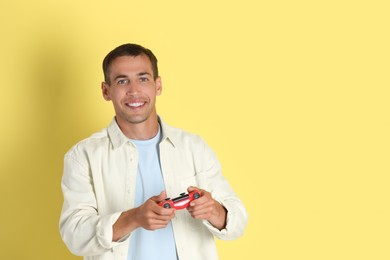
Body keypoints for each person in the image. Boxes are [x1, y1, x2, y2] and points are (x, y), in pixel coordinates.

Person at [59, 43, 248, 260]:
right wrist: (134, 218)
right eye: (122, 81)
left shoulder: (194, 147)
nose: (134, 91)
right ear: (106, 90)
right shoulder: (83, 156)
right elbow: (74, 235)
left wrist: (214, 210)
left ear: (157, 85)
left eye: (143, 78)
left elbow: (238, 222)